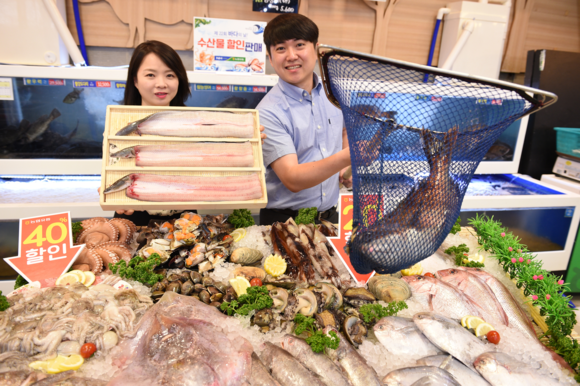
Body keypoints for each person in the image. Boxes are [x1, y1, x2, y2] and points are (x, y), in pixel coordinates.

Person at [111, 40, 266, 225]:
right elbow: (111, 172)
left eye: (170, 75)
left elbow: (219, 166)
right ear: (135, 80)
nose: (161, 84)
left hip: (185, 219)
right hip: (134, 216)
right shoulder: (117, 125)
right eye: (150, 75)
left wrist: (251, 146)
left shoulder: (198, 125)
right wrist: (113, 195)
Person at [257, 14, 352, 226]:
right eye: (281, 48)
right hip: (283, 222)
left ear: (316, 50)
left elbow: (344, 131)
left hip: (331, 216)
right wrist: (350, 156)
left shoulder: (334, 94)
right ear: (270, 58)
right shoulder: (267, 111)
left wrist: (342, 170)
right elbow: (292, 178)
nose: (291, 55)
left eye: (299, 45)